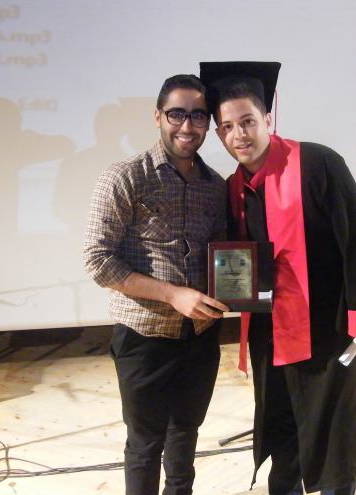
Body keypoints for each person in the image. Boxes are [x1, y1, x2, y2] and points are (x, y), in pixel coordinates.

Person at [200, 62, 356, 495]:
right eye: (228, 127)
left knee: (333, 437)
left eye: (248, 121)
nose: (239, 135)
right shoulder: (234, 187)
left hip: (328, 330)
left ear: (268, 118)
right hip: (271, 334)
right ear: (219, 134)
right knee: (282, 428)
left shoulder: (317, 162)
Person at [84, 74, 229, 495]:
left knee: (186, 431)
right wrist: (172, 294)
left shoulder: (216, 187)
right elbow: (97, 260)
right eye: (176, 114)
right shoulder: (125, 177)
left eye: (198, 116)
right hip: (143, 336)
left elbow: (224, 257)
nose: (187, 125)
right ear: (158, 117)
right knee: (145, 444)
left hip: (200, 334)